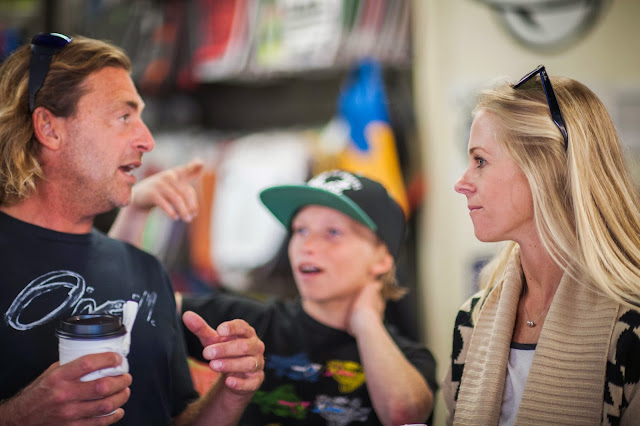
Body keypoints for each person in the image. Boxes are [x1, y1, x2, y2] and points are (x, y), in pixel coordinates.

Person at [0, 32, 264, 425]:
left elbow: (176, 417)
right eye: (124, 117)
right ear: (50, 128)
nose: (147, 140)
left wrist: (231, 391)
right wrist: (19, 416)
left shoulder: (146, 269)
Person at [112, 167, 437, 424]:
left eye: (333, 232)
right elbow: (127, 304)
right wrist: (135, 209)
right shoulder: (249, 324)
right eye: (300, 230)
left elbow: (403, 414)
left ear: (382, 259)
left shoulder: (411, 358)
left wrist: (366, 320)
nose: (307, 245)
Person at [444, 65, 640, 424]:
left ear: (545, 169)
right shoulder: (471, 321)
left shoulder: (631, 328)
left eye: (480, 161)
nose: (462, 182)